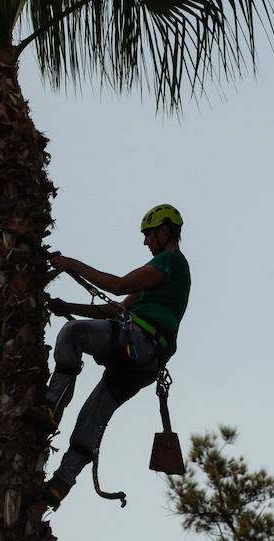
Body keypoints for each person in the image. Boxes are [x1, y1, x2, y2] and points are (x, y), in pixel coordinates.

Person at [41, 204, 191, 508]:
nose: (146, 242)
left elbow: (118, 285)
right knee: (93, 415)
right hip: (145, 362)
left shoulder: (170, 261)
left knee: (72, 334)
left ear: (164, 231)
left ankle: (51, 407)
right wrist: (67, 307)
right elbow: (114, 308)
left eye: (149, 234)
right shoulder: (158, 278)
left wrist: (71, 264)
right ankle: (60, 485)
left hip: (140, 343)